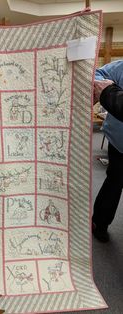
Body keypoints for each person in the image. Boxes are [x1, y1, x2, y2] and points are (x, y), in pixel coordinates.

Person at [92, 60, 123, 242]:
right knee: (114, 182)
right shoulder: (121, 67)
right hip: (119, 142)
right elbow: (97, 73)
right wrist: (102, 85)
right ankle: (99, 223)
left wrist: (108, 92)